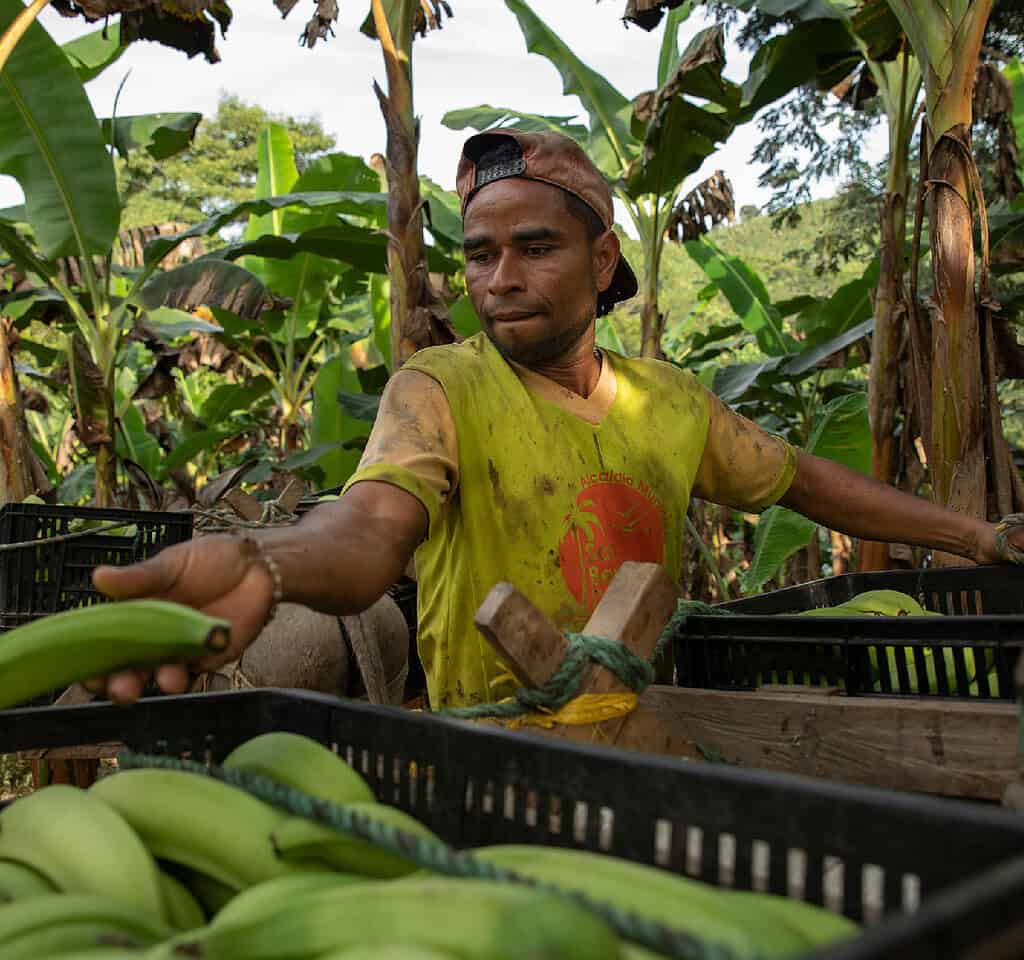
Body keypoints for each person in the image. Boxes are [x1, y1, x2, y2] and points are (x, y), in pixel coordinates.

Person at [90, 130, 1024, 708]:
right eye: (482, 253)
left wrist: (974, 534)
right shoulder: (440, 386)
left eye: (535, 247)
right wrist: (264, 560)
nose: (500, 280)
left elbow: (806, 479)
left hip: (654, 721)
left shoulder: (670, 402)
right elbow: (371, 530)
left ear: (603, 255)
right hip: (499, 751)